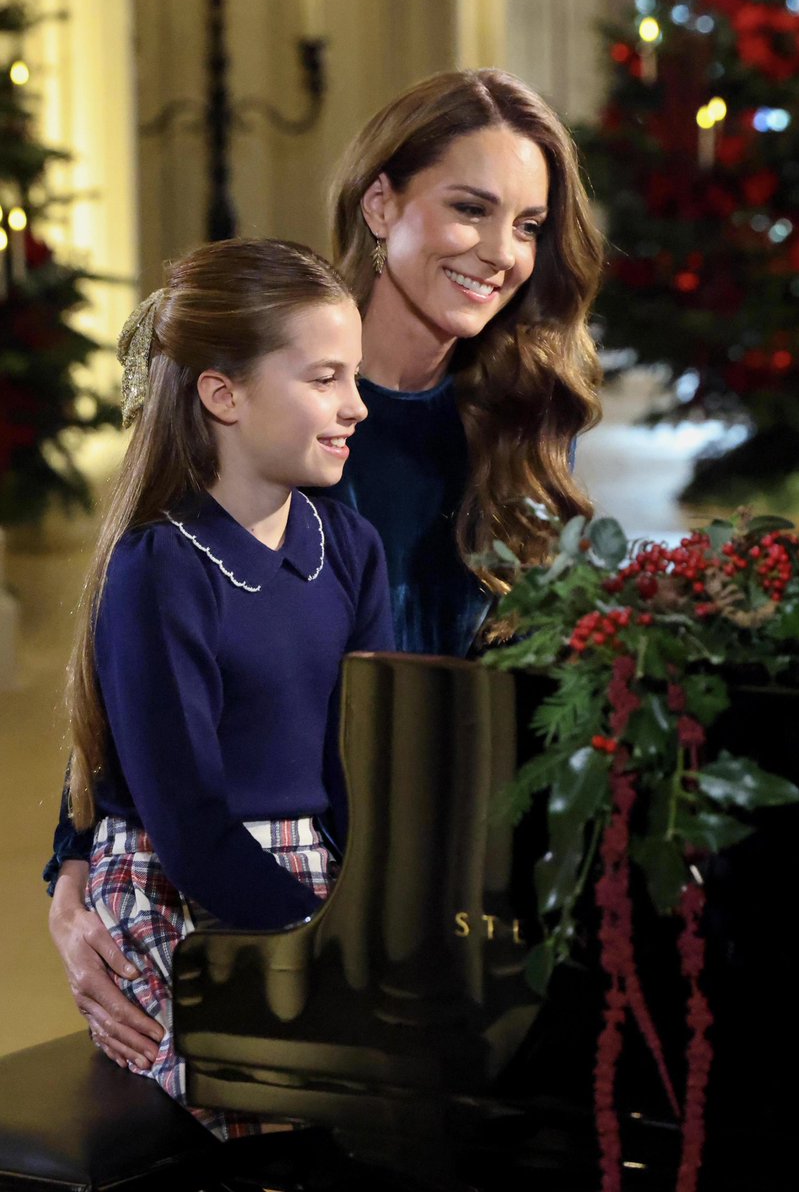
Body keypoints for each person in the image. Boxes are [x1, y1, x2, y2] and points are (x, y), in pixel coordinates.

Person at [46, 68, 604, 1079]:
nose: (501, 252)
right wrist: (74, 861)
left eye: (527, 224)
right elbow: (150, 659)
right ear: (380, 203)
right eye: (469, 209)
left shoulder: (520, 418)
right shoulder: (264, 398)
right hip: (293, 876)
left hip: (445, 858)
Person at [63, 237, 393, 1137]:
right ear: (224, 394)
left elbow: (364, 770)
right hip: (180, 889)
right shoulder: (160, 568)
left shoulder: (351, 549)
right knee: (272, 1109)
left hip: (317, 880)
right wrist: (325, 951)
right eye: (324, 378)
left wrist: (374, 922)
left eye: (354, 375)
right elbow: (189, 824)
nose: (356, 405)